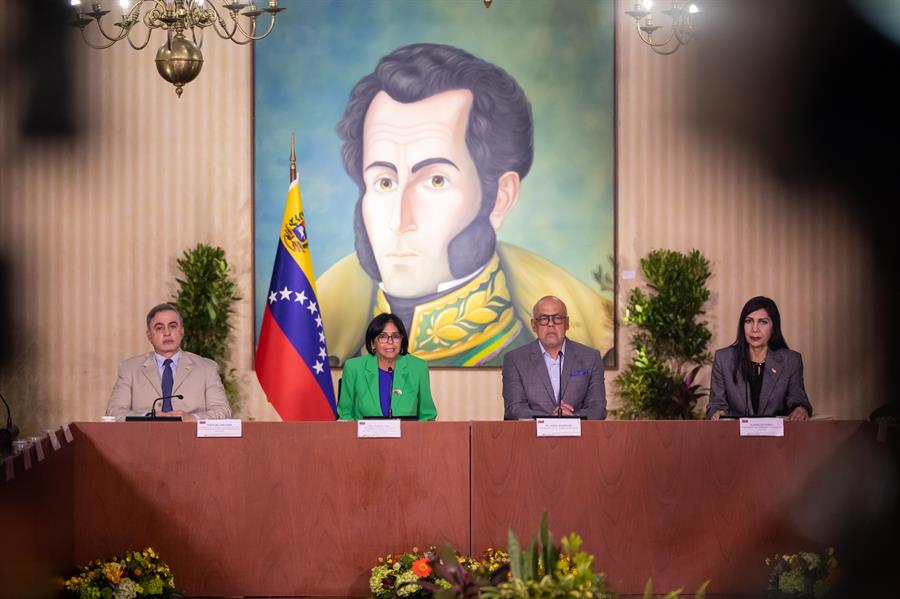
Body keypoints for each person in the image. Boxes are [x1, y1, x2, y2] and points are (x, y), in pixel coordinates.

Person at [317, 42, 613, 366]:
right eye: (384, 182)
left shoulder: (545, 359)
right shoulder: (329, 348)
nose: (399, 221)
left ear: (500, 198)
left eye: (436, 181)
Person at [105, 303, 232, 421]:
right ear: (149, 335)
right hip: (144, 440)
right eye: (159, 328)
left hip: (192, 440)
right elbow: (114, 412)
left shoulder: (207, 368)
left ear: (182, 331)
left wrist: (193, 418)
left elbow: (222, 410)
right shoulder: (129, 369)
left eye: (173, 326)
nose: (167, 333)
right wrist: (148, 417)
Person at [707, 296, 812, 420]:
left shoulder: (791, 361)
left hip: (777, 437)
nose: (754, 329)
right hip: (735, 436)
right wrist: (718, 413)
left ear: (774, 328)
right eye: (749, 321)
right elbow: (716, 404)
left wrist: (800, 409)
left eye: (763, 322)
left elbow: (798, 399)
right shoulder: (723, 359)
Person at [502, 296, 606, 420]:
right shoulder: (515, 360)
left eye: (557, 318)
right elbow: (514, 409)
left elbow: (598, 408)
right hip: (531, 437)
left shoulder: (590, 358)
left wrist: (573, 418)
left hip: (578, 437)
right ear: (534, 325)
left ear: (567, 323)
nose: (551, 324)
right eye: (543, 318)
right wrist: (552, 419)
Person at [337, 313, 437, 420]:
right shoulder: (354, 367)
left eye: (395, 336)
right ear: (373, 342)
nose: (390, 342)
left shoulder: (418, 368)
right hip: (364, 436)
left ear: (402, 340)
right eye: (382, 337)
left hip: (408, 436)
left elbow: (427, 415)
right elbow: (345, 415)